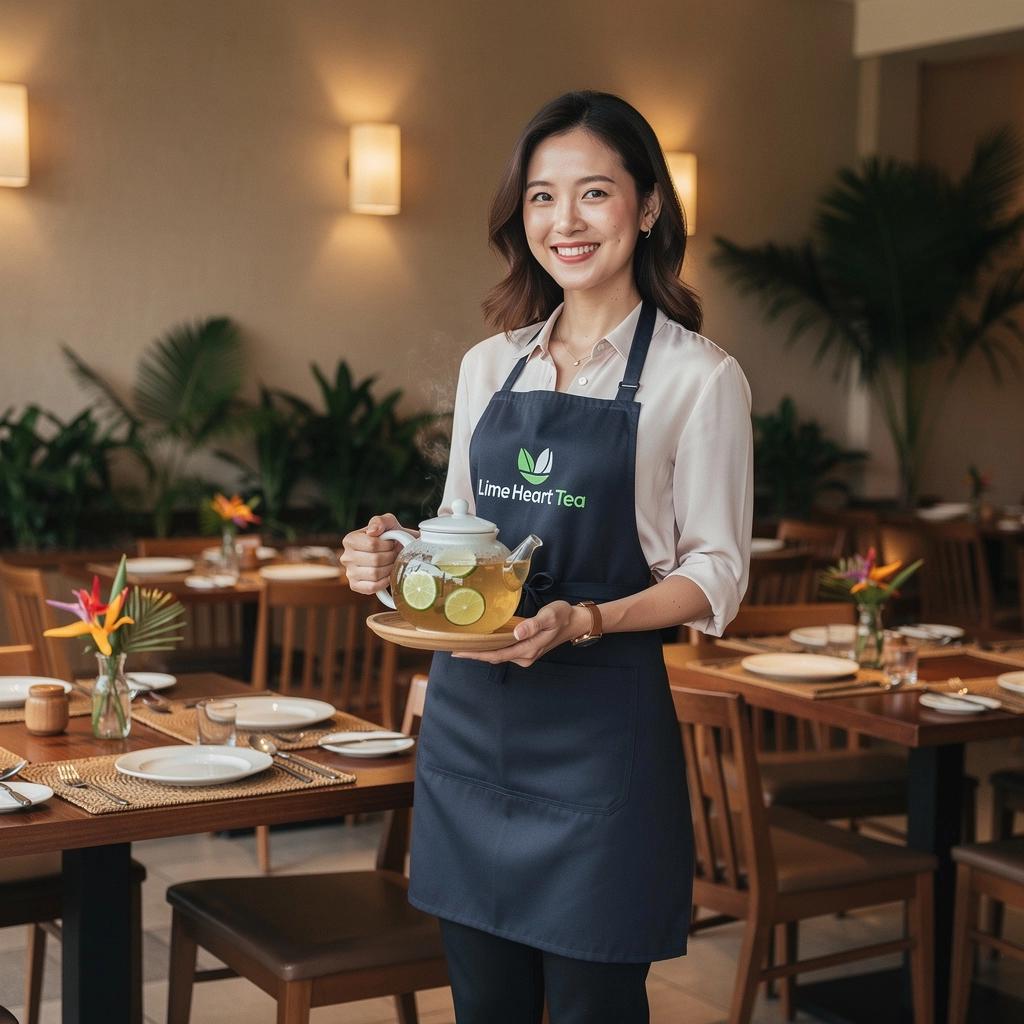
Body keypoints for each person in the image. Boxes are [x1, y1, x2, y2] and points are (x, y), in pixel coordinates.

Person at [341, 90, 752, 1024]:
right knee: (484, 1007)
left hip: (599, 744)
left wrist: (591, 617)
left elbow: (718, 572)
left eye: (594, 193)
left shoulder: (701, 378)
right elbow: (459, 529)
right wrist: (388, 554)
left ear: (647, 207)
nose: (564, 222)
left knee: (591, 1008)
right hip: (470, 728)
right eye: (541, 197)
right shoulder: (493, 366)